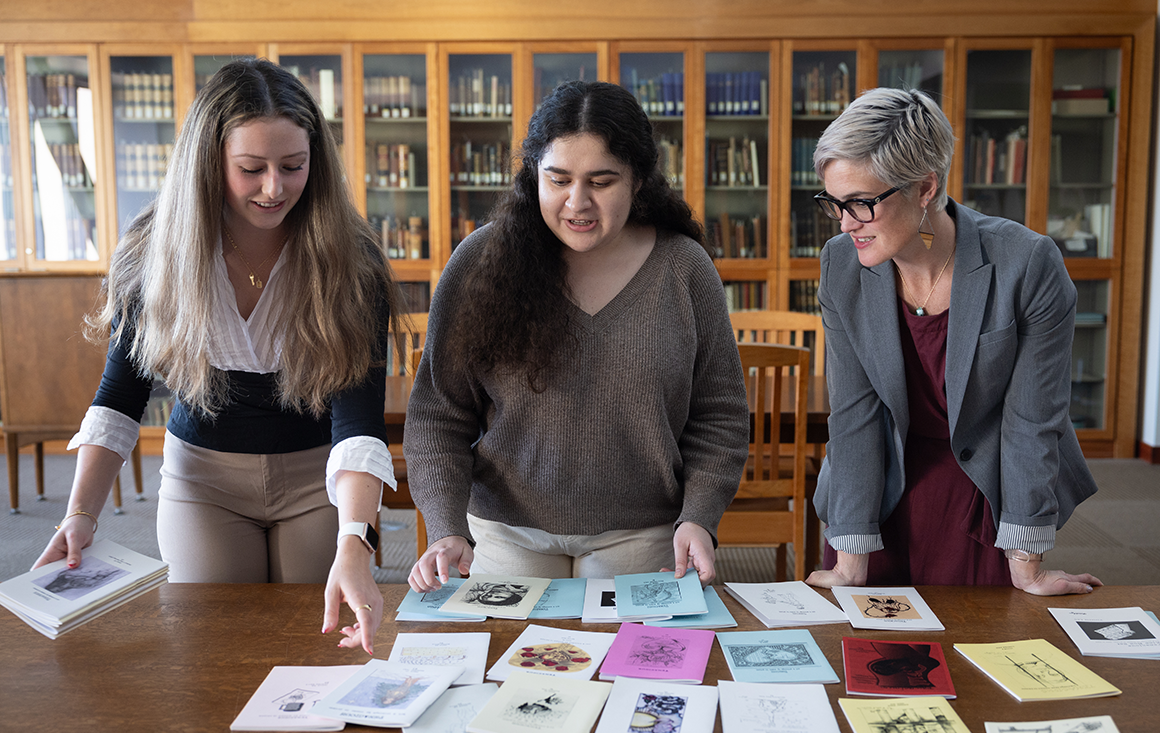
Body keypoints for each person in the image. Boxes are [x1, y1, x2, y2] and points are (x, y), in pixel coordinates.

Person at [32, 58, 407, 654]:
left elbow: (357, 422)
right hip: (203, 479)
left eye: (293, 166)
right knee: (213, 645)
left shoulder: (350, 260)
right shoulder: (155, 252)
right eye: (250, 169)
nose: (274, 188)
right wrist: (79, 516)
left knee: (310, 643)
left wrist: (355, 541)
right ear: (208, 164)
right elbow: (120, 399)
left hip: (318, 479)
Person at [404, 80, 748, 591]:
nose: (576, 202)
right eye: (558, 179)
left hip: (644, 533)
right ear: (533, 176)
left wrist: (699, 515)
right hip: (505, 534)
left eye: (601, 181)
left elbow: (718, 412)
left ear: (638, 180)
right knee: (510, 668)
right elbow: (438, 413)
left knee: (627, 670)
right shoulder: (479, 262)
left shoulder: (683, 267)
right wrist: (445, 527)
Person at [804, 87, 1101, 596]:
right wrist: (850, 556)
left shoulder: (1026, 265)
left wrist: (1027, 561)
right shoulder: (840, 265)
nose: (846, 223)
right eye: (834, 203)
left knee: (978, 655)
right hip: (878, 485)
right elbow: (855, 414)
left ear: (924, 188)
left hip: (985, 487)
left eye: (861, 204)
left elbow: (1032, 421)